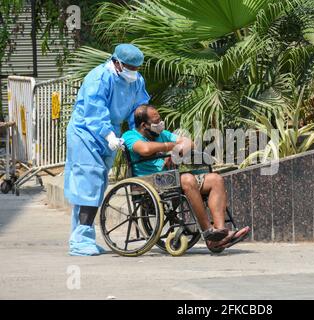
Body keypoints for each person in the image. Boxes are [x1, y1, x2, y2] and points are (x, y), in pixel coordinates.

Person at [122, 105, 251, 251]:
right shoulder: (129, 136)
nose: (161, 124)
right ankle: (208, 231)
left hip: (171, 178)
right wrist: (168, 146)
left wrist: (176, 151)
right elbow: (144, 149)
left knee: (215, 179)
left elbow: (190, 143)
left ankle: (220, 233)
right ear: (144, 125)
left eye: (160, 120)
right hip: (149, 181)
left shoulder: (162, 133)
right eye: (156, 122)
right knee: (188, 179)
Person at [65, 44, 150, 256]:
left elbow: (138, 110)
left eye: (136, 67)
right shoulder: (99, 78)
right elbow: (94, 112)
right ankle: (80, 240)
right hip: (86, 132)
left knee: (97, 185)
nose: (133, 71)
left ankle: (82, 236)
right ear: (117, 62)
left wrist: (142, 131)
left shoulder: (136, 80)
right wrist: (109, 135)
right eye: (129, 67)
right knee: (89, 183)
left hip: (109, 134)